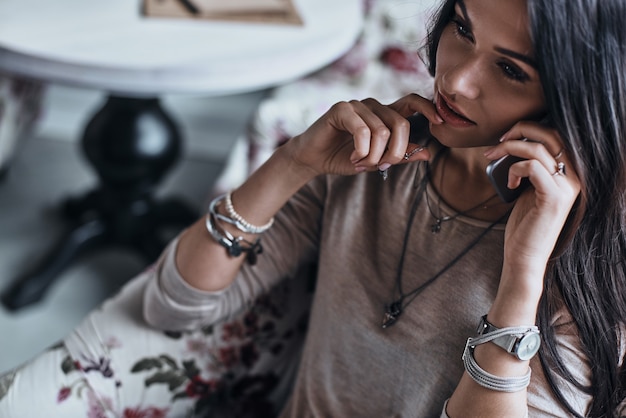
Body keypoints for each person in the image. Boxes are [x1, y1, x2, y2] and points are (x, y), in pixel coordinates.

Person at [2, 0, 626, 416]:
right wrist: (294, 162)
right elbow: (173, 304)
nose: (456, 79)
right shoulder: (373, 160)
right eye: (462, 29)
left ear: (573, 96)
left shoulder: (582, 252)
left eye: (510, 70)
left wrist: (522, 276)